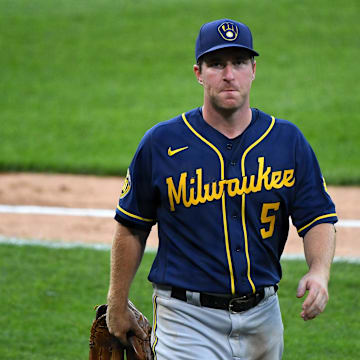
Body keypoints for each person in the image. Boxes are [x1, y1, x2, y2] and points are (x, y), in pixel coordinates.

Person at [106, 18, 337, 359]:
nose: (229, 74)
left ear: (253, 70)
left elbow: (317, 216)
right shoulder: (161, 143)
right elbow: (131, 226)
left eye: (239, 63)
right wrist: (117, 300)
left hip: (264, 319)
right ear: (198, 72)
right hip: (186, 321)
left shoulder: (287, 141)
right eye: (216, 64)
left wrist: (319, 272)